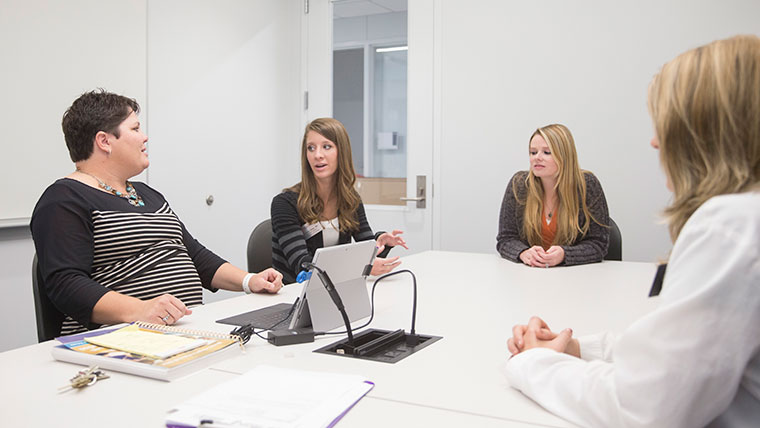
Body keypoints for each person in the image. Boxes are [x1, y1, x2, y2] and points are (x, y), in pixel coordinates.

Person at [505, 35, 760, 427]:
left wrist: (535, 362)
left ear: (707, 132)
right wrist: (576, 347)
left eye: (668, 125)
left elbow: (646, 407)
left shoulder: (732, 228)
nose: (656, 141)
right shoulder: (744, 221)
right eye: (533, 151)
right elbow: (677, 353)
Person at [31, 89, 283, 337]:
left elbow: (195, 256)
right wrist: (140, 309)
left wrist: (249, 281)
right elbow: (66, 285)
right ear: (105, 141)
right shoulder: (64, 200)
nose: (144, 137)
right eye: (135, 129)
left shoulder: (147, 194)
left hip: (187, 329)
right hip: (124, 338)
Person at [271, 117, 408, 283]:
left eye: (326, 147)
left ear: (341, 152)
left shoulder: (350, 200)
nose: (317, 155)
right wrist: (362, 266)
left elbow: (366, 253)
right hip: (293, 295)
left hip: (335, 290)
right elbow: (304, 266)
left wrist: (381, 243)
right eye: (311, 148)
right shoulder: (285, 203)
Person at [496, 124, 610, 267]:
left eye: (547, 152)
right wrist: (523, 253)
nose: (537, 158)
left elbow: (599, 244)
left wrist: (564, 254)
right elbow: (505, 239)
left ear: (564, 156)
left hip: (575, 278)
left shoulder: (587, 185)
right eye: (533, 152)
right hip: (528, 276)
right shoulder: (518, 185)